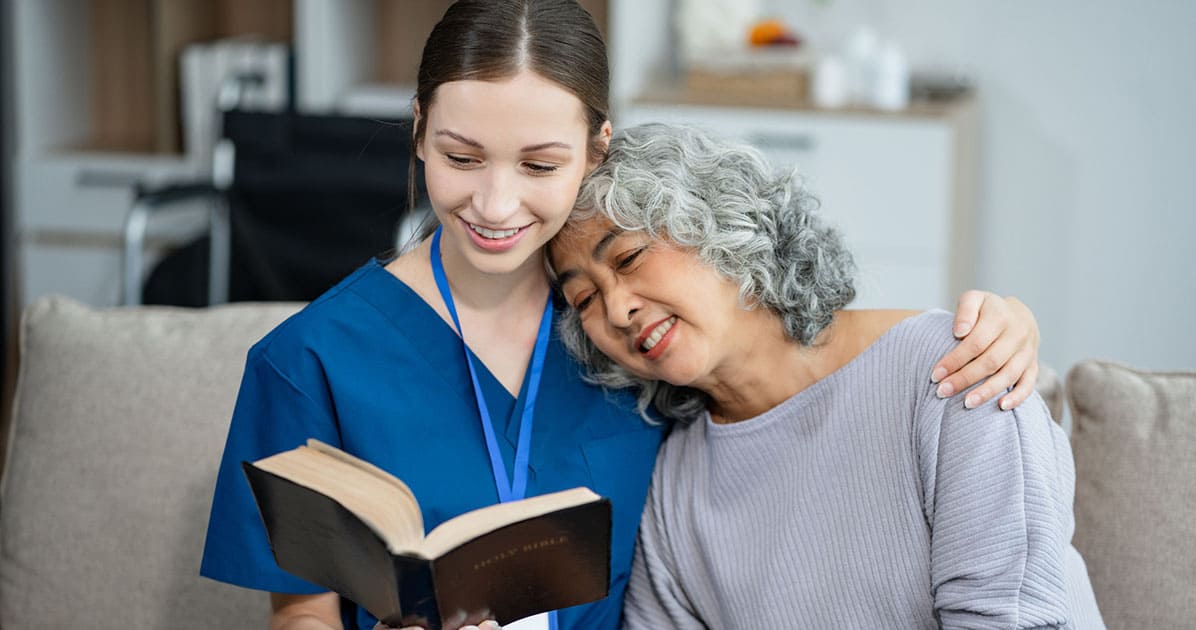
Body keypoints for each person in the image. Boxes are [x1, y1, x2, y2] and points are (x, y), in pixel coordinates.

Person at [200, 2, 1044, 629]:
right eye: (460, 157)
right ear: (419, 133)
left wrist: (993, 324)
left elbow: (802, 372)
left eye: (540, 163)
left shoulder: (631, 347)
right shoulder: (305, 361)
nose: (495, 202)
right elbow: (300, 616)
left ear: (597, 150)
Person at [548, 122, 1104, 629]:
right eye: (585, 298)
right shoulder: (673, 483)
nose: (617, 310)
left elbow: (1011, 618)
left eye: (628, 257)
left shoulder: (958, 368)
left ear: (719, 224)